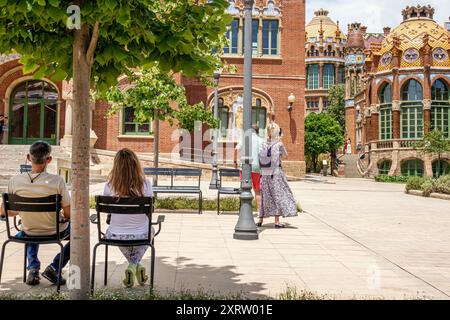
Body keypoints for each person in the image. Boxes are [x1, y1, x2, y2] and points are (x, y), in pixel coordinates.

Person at [0, 141, 71, 286]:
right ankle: (54, 267)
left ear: (28, 157)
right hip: (54, 231)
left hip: (29, 230)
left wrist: (23, 211)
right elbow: (69, 214)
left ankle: (33, 268)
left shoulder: (15, 181)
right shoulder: (58, 181)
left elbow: (5, 212)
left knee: (28, 227)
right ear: (49, 159)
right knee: (78, 234)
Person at [103, 148, 154, 288]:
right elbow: (150, 211)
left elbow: (108, 211)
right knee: (152, 230)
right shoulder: (145, 184)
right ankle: (133, 265)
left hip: (115, 235)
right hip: (141, 234)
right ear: (136, 164)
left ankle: (133, 265)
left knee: (116, 232)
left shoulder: (108, 185)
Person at [257, 122, 298, 228]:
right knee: (278, 195)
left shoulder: (263, 143)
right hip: (276, 173)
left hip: (265, 173)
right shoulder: (279, 144)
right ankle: (276, 222)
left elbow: (259, 156)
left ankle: (260, 219)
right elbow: (285, 155)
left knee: (265, 195)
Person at [236, 124, 263, 210]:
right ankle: (259, 212)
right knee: (257, 191)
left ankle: (243, 210)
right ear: (258, 131)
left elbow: (237, 149)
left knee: (243, 189)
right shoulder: (261, 141)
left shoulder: (244, 139)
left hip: (244, 167)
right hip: (256, 168)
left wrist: (235, 161)